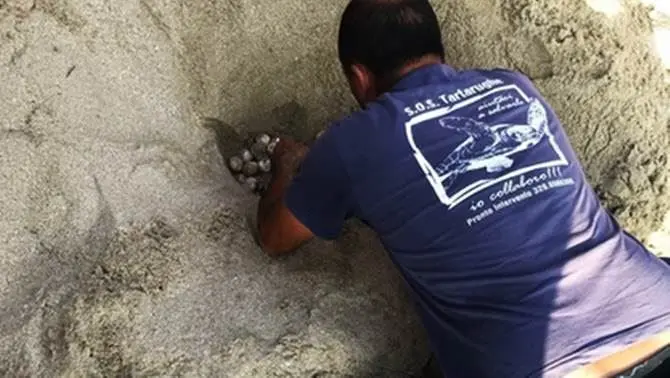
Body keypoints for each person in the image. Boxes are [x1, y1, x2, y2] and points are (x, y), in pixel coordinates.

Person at [255, 0, 670, 377]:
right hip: (658, 313)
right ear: (438, 51)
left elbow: (275, 238)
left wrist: (288, 166)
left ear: (359, 76)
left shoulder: (349, 143)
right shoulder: (515, 86)